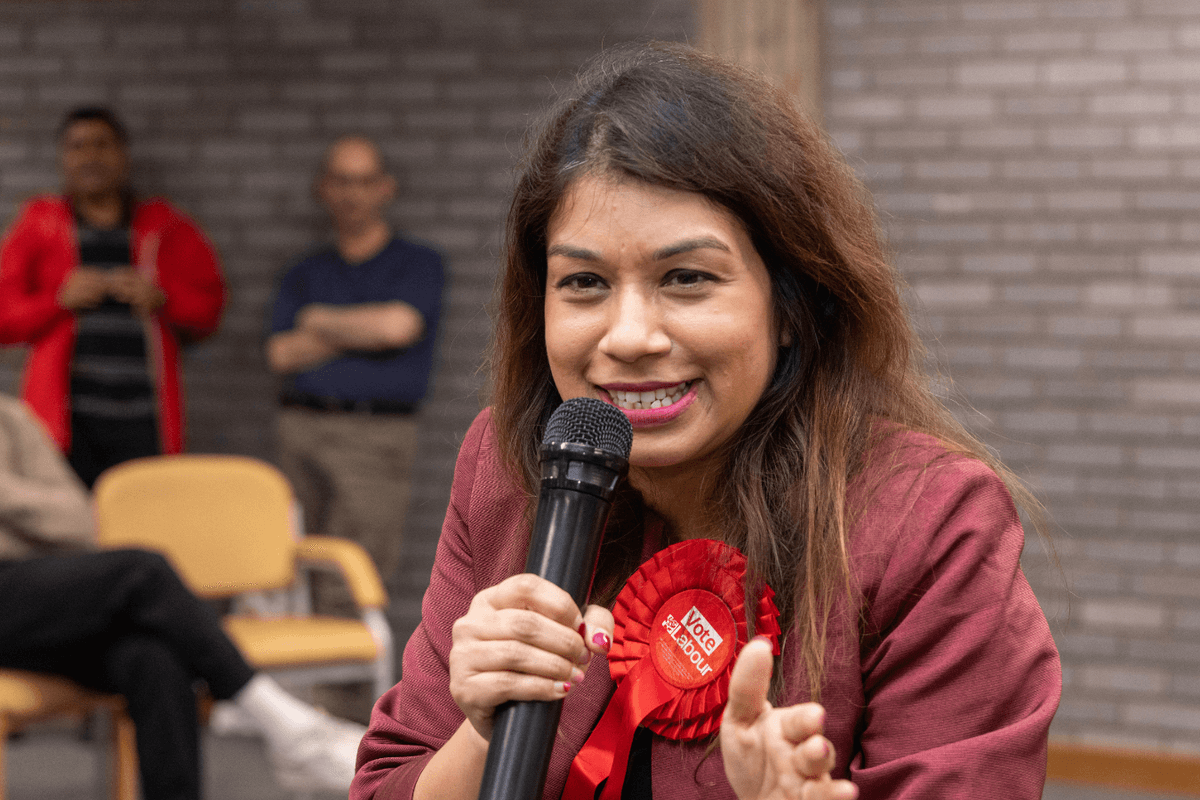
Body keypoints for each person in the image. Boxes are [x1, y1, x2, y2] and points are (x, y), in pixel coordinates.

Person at [351, 42, 1061, 800]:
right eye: (584, 282)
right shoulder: (508, 466)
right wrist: (482, 729)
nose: (627, 336)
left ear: (789, 304)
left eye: (686, 278)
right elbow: (388, 784)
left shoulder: (930, 522)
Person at [0, 392, 365, 799]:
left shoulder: (10, 417)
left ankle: (281, 731)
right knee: (143, 570)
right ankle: (284, 726)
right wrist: (26, 504)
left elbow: (80, 520)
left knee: (153, 659)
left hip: (36, 589)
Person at [266, 136, 444, 721]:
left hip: (376, 439)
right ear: (323, 189)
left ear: (386, 188)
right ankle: (306, 719)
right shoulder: (304, 271)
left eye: (365, 179)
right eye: (340, 179)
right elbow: (282, 355)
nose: (352, 192)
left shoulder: (417, 264)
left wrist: (318, 323)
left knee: (353, 574)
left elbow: (399, 327)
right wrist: (357, 332)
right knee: (296, 572)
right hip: (301, 429)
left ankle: (342, 729)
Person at [0, 107, 225, 488]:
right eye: (77, 146)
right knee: (68, 536)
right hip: (64, 426)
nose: (90, 156)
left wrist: (161, 298)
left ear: (123, 155)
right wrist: (58, 300)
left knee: (141, 529)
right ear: (62, 158)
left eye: (102, 145)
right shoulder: (39, 224)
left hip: (145, 422)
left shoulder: (165, 226)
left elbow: (209, 310)